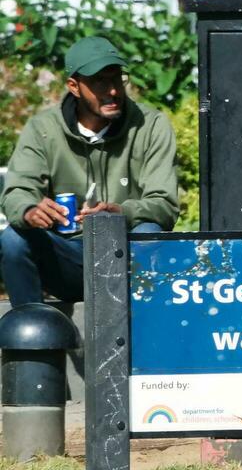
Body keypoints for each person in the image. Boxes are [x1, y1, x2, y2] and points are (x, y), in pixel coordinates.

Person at [1, 36, 178, 306]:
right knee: (13, 239)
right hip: (66, 256)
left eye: (117, 79)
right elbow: (16, 192)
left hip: (127, 254)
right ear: (74, 86)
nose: (113, 91)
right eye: (99, 82)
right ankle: (32, 333)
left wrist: (121, 212)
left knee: (149, 231)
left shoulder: (150, 125)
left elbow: (164, 204)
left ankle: (150, 334)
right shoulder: (43, 130)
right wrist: (29, 210)